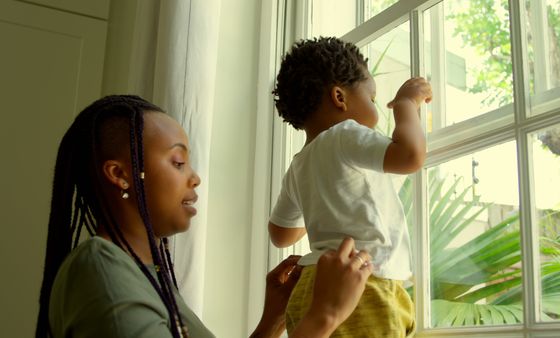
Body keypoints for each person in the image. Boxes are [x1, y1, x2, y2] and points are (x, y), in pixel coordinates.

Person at [36, 95, 374, 338]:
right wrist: (324, 316)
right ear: (120, 174)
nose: (194, 177)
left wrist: (272, 321)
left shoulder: (146, 277)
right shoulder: (102, 271)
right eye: (178, 162)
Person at [268, 37, 432, 337]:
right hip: (362, 283)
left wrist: (324, 200)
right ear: (340, 98)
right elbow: (410, 155)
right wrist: (407, 105)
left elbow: (280, 234)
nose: (377, 107)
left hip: (312, 288)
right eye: (372, 98)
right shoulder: (346, 135)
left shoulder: (298, 166)